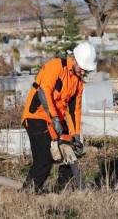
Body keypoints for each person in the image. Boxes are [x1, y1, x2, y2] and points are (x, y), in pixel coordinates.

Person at [21, 42, 96, 193]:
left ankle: (61, 191)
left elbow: (75, 109)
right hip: (37, 115)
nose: (83, 72)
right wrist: (55, 118)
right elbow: (44, 92)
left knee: (71, 152)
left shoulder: (79, 83)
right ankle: (27, 194)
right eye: (82, 68)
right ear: (74, 59)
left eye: (85, 70)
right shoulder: (55, 66)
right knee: (44, 160)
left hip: (57, 119)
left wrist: (75, 135)